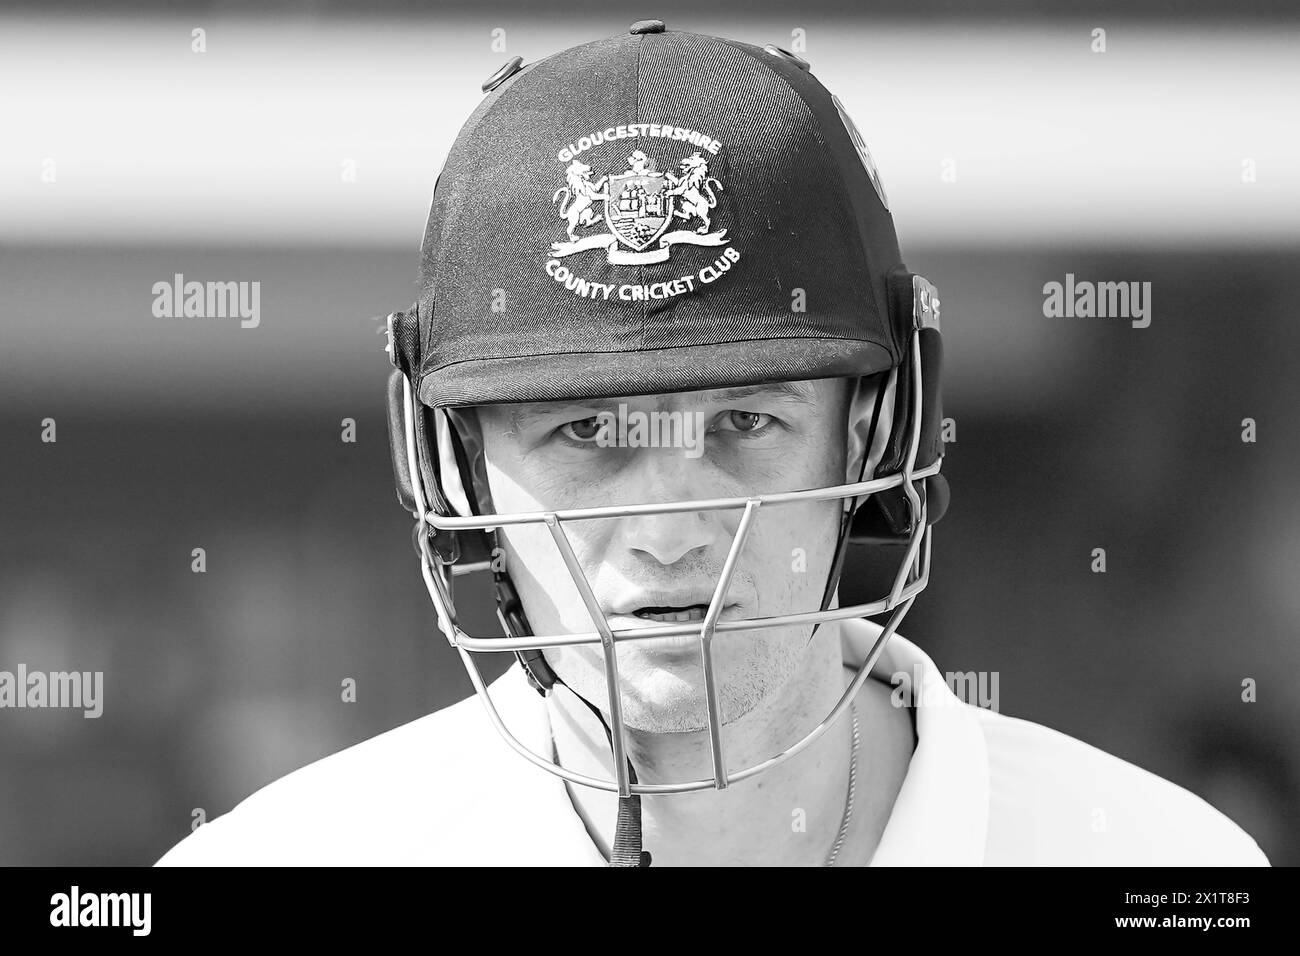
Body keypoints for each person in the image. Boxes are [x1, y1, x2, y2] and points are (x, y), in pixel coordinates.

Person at [157, 21, 1267, 866]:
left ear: (873, 430)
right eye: (583, 429)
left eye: (746, 422)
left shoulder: (1157, 863)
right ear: (458, 461)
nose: (673, 531)